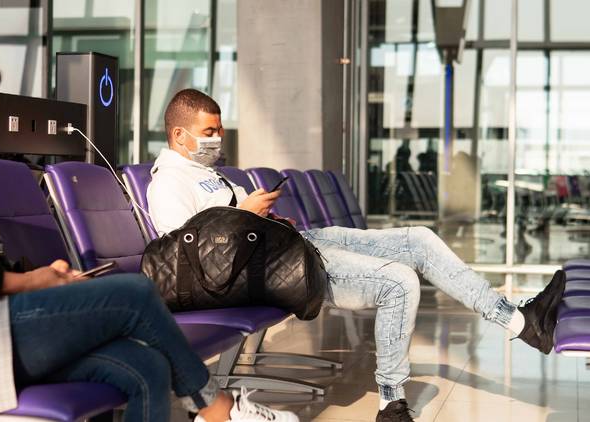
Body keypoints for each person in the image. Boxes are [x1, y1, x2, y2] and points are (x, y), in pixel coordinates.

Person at [0, 37, 297, 422]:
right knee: (135, 293)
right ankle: (215, 407)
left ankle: (211, 405)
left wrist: (45, 282)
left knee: (147, 367)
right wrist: (28, 282)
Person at [146, 89, 567, 422]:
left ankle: (519, 320)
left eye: (219, 131)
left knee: (419, 238)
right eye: (208, 132)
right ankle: (391, 403)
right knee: (399, 281)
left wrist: (267, 217)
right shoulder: (167, 183)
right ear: (179, 134)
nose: (216, 139)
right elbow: (190, 264)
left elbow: (231, 229)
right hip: (272, 273)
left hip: (289, 246)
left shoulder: (207, 174)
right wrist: (243, 213)